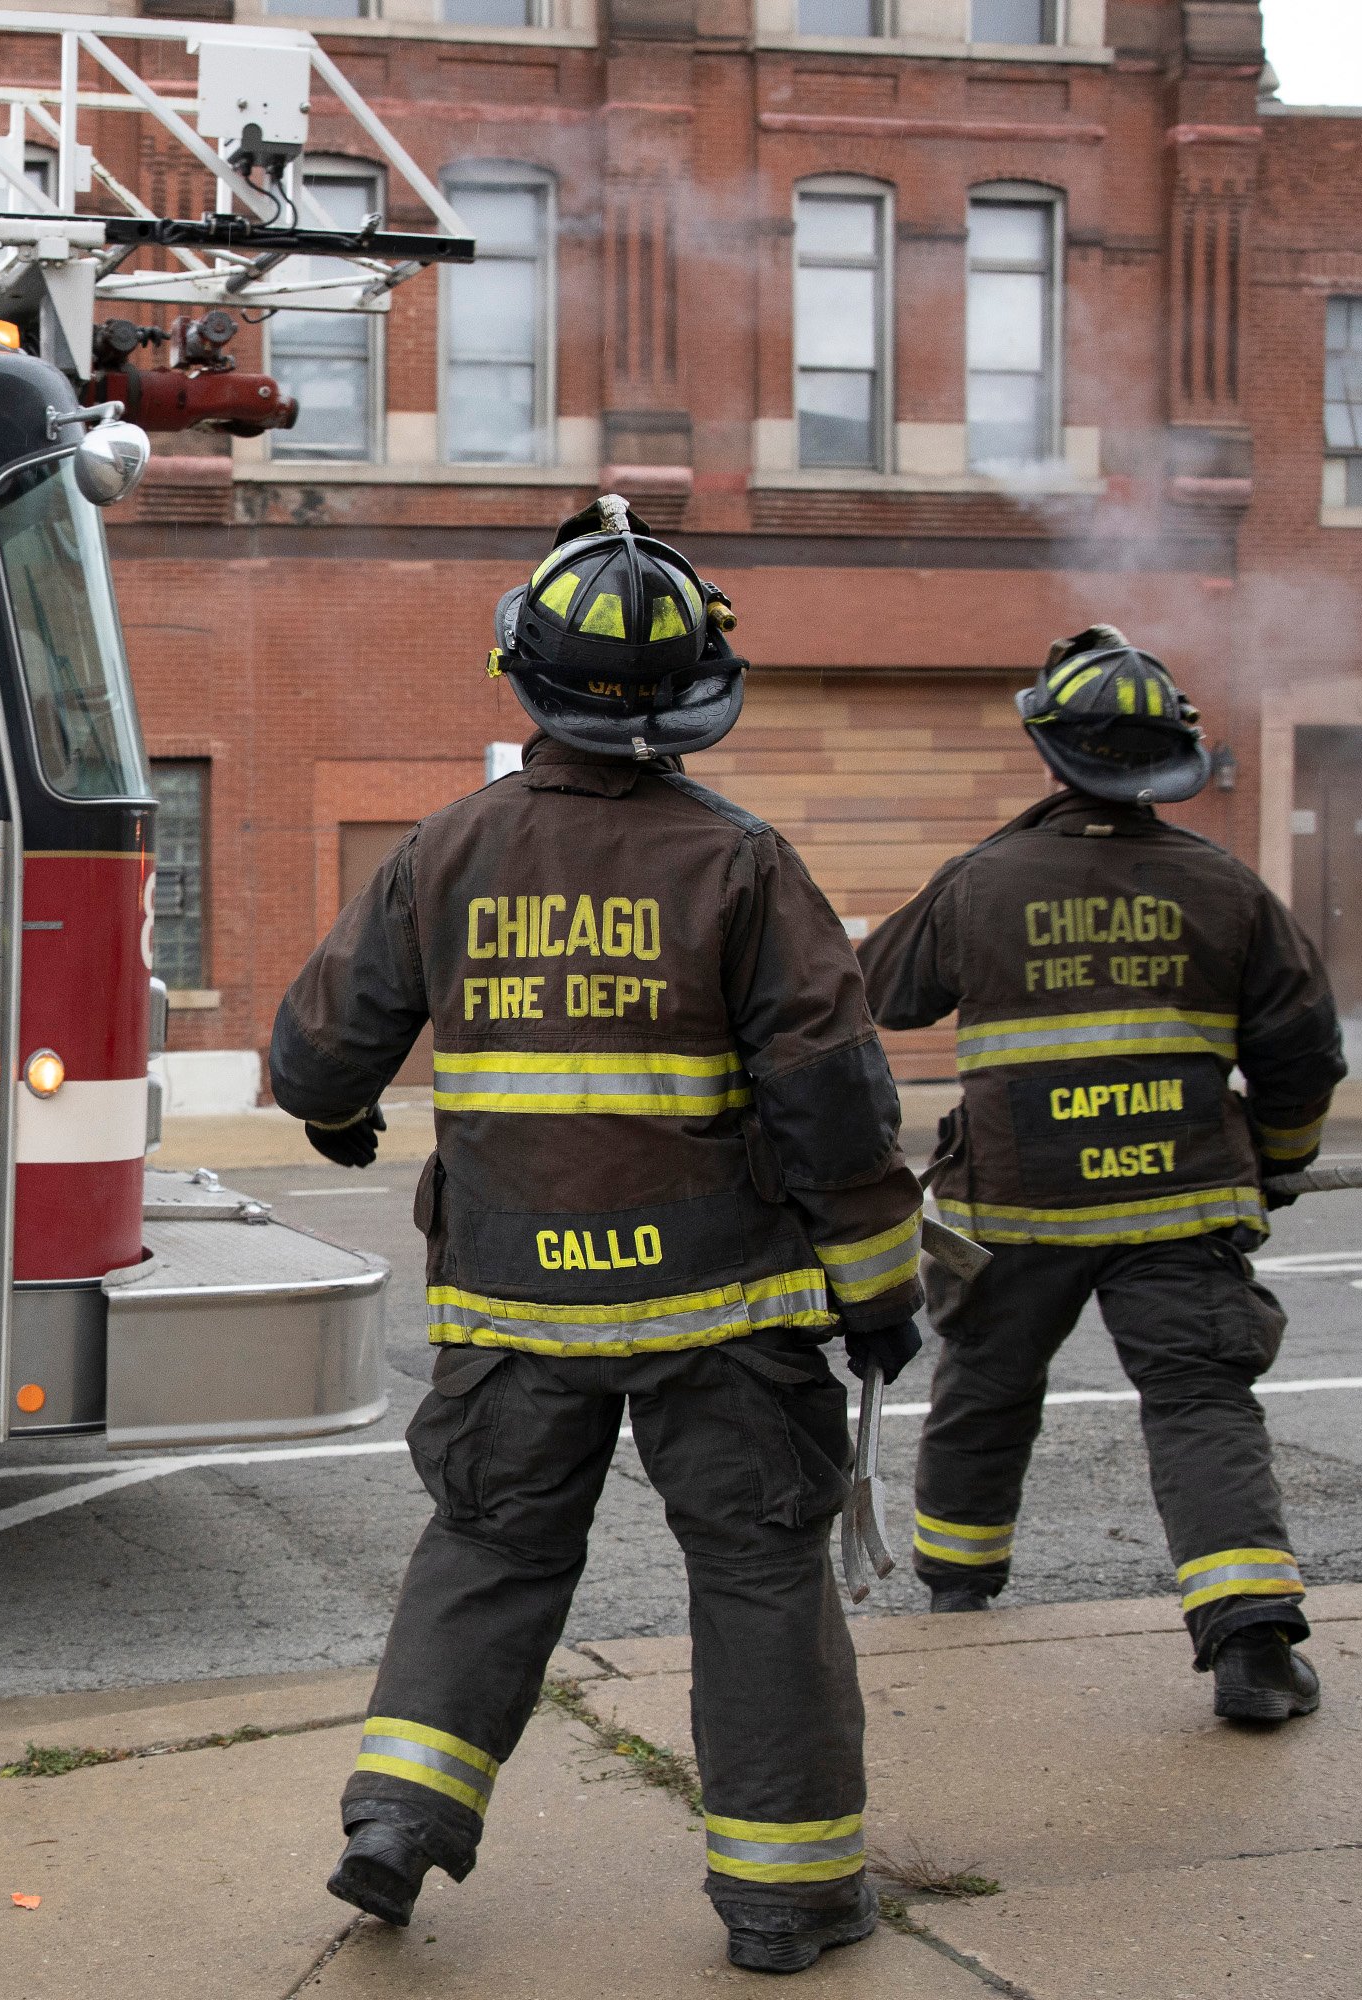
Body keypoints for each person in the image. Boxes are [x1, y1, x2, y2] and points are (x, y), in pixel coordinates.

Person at [271, 496, 927, 1976]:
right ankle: (791, 1900)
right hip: (724, 1314)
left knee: (491, 1550)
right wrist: (879, 1289)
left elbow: (316, 1055)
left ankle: (397, 1822)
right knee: (760, 1574)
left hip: (514, 1309)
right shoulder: (746, 867)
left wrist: (334, 1114)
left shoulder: (446, 851)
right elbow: (835, 1102)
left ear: (525, 677)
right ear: (699, 698)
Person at [859, 627, 1339, 1723]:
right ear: (1170, 763)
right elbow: (1305, 1050)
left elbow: (878, 992)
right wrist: (1282, 1162)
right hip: (1182, 1202)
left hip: (1014, 1204)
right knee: (1201, 1401)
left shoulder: (981, 880)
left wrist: (1004, 860)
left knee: (985, 1392)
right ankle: (1253, 1644)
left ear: (1051, 750)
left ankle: (960, 1594)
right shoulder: (1225, 886)